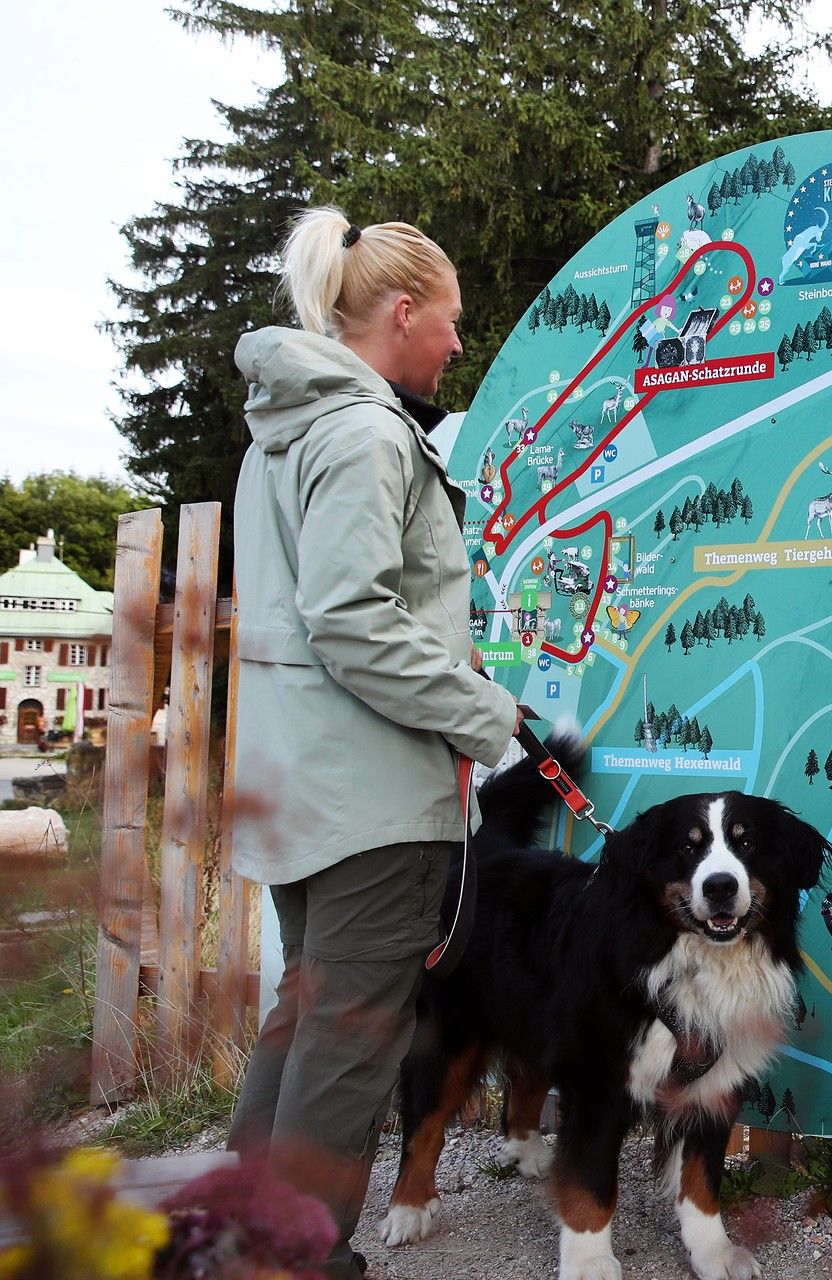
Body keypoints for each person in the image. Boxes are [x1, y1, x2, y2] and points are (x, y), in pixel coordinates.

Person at [226, 206, 520, 1280]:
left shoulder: (284, 434)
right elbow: (351, 617)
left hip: (302, 783)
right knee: (348, 1037)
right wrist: (485, 714)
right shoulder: (363, 433)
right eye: (450, 319)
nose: (457, 342)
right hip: (370, 798)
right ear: (401, 313)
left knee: (307, 1014)